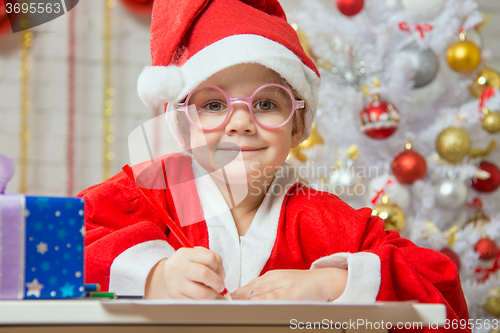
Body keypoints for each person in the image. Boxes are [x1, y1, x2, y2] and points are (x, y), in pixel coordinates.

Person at [79, 0, 470, 329]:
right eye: (213, 105)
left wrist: (331, 283)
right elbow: (52, 244)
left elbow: (444, 298)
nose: (241, 122)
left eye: (266, 104)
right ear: (183, 123)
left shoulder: (327, 222)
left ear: (297, 124)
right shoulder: (147, 192)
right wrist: (153, 278)